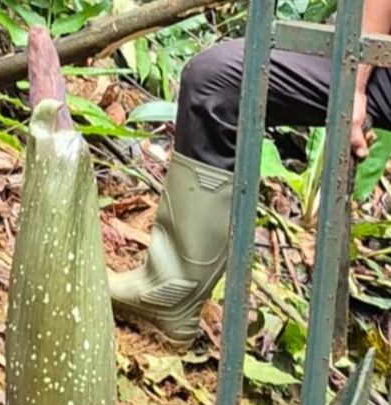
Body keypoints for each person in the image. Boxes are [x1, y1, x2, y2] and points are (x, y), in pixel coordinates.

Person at [108, 1, 391, 347]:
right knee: (216, 82)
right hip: (376, 53)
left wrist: (353, 84)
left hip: (374, 53)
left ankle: (171, 291)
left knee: (216, 81)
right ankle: (170, 291)